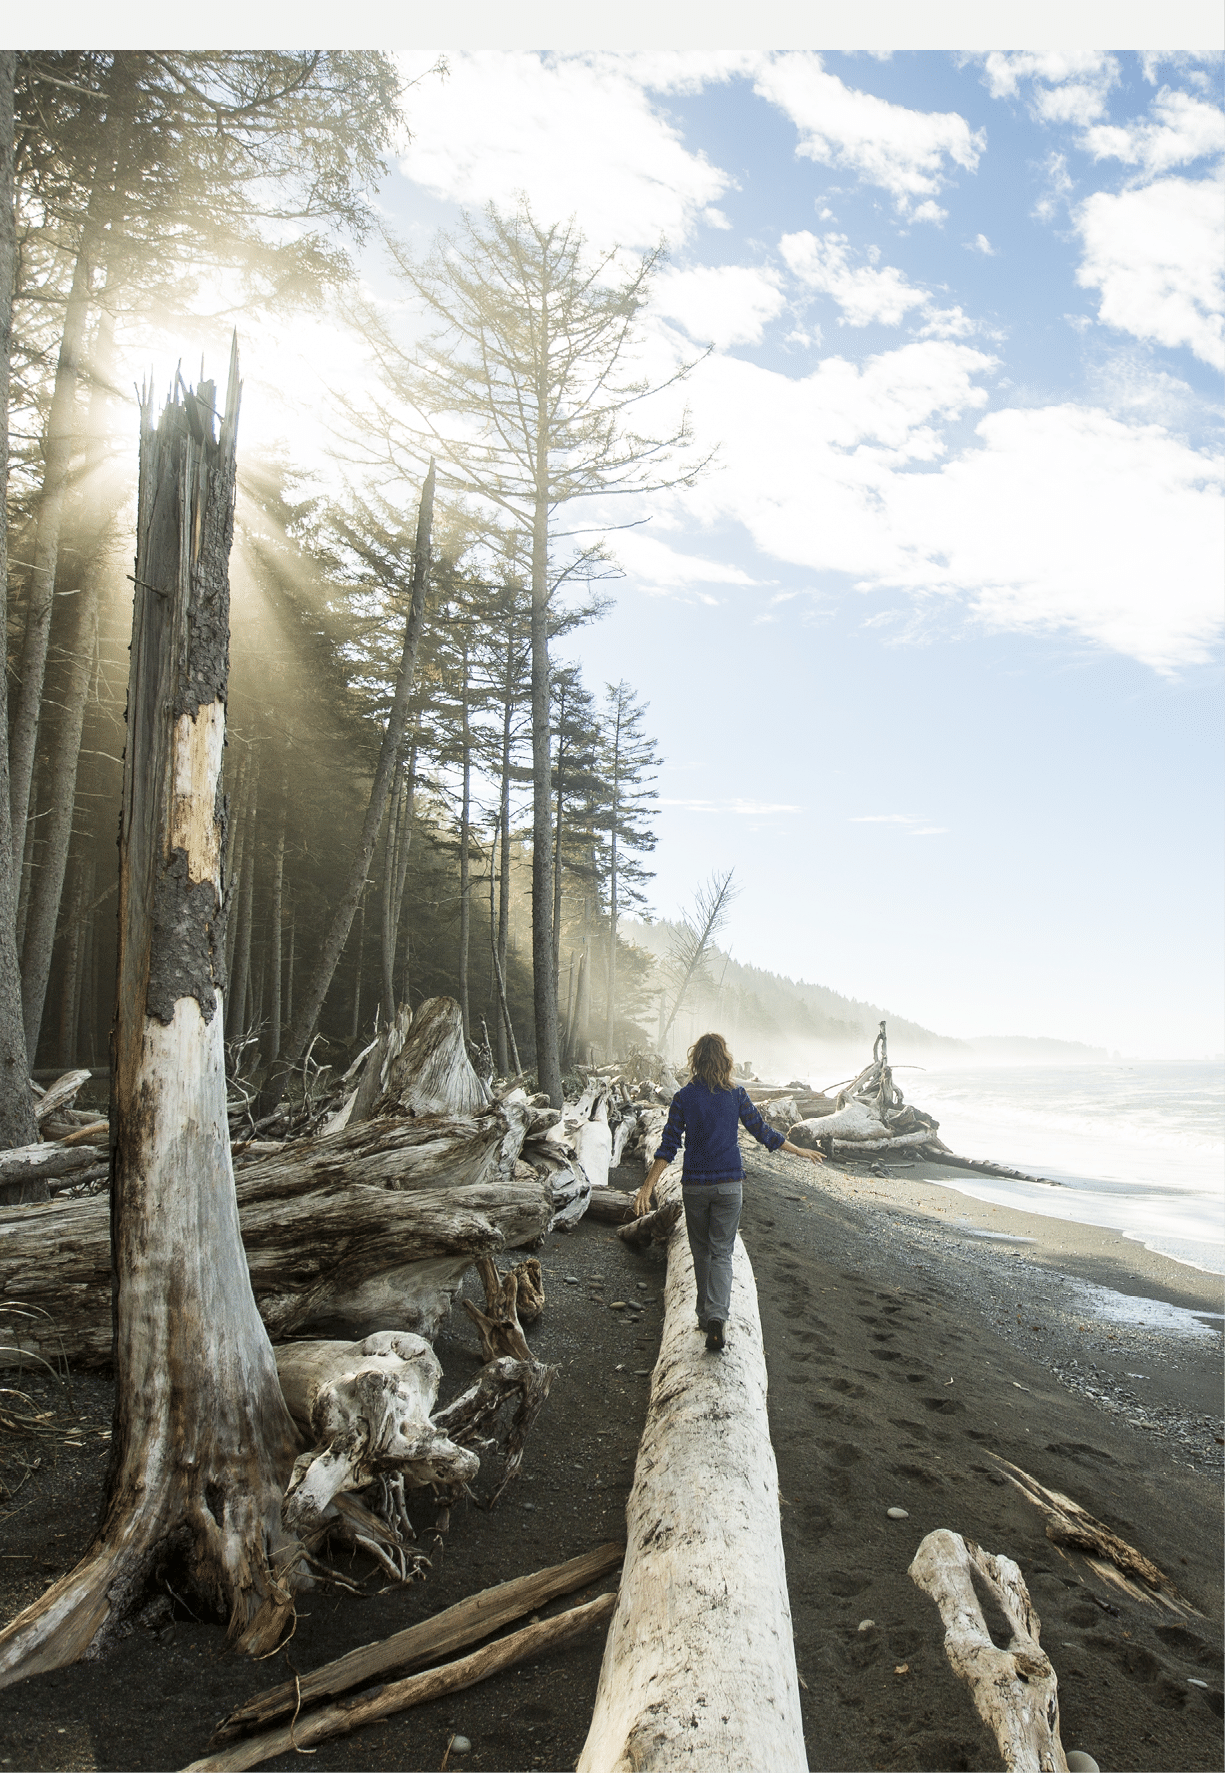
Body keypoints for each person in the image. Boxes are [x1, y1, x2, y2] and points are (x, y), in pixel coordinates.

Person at [634, 1032, 823, 1353]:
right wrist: (798, 1150)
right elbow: (762, 1132)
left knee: (701, 1251)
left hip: (696, 1187)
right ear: (725, 1060)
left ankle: (705, 1316)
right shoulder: (736, 1095)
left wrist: (648, 1185)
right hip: (729, 1187)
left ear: (696, 1060)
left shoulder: (683, 1097)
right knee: (722, 1252)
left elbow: (668, 1146)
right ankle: (717, 1317)